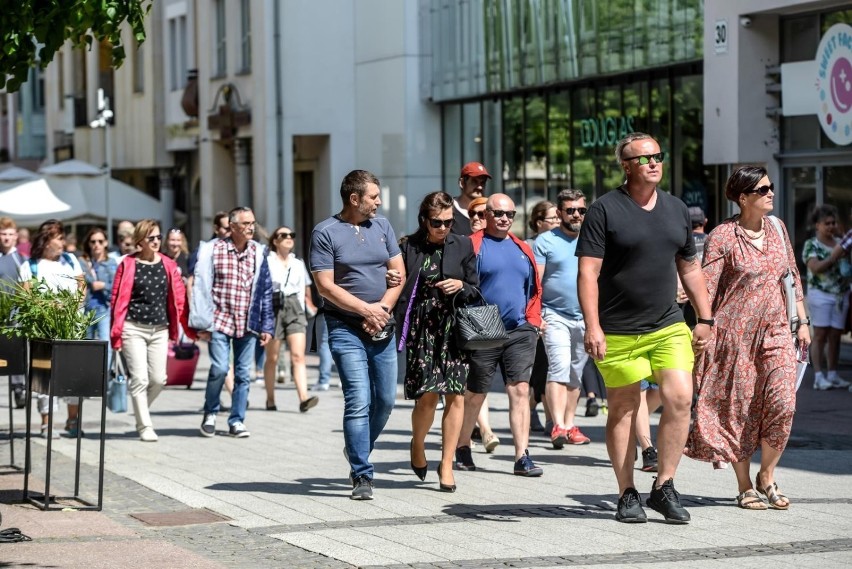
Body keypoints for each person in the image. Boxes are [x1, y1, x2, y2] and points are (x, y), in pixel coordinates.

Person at [576, 132, 712, 524]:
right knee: (622, 408)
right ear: (626, 166)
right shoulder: (604, 210)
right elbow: (588, 272)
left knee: (680, 397)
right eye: (643, 158)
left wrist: (705, 317)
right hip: (618, 328)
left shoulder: (676, 209)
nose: (653, 163)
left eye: (658, 155)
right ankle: (627, 492)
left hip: (667, 324)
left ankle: (664, 486)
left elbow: (689, 267)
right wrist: (593, 326)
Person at [686, 165, 810, 511]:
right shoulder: (723, 236)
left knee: (784, 403)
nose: (771, 193)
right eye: (763, 189)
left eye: (771, 187)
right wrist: (702, 322)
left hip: (776, 330)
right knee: (738, 408)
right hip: (733, 334)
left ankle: (766, 475)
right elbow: (707, 285)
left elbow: (791, 274)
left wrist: (802, 319)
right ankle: (744, 484)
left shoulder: (777, 228)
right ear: (743, 198)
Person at [310, 169, 405, 500]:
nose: (379, 202)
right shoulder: (325, 233)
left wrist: (381, 310)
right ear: (355, 199)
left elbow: (399, 275)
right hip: (344, 327)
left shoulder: (382, 227)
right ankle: (362, 474)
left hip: (381, 326)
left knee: (386, 401)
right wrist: (366, 311)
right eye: (373, 197)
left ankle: (357, 446)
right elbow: (325, 286)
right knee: (358, 400)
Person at [455, 193, 544, 477]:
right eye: (498, 213)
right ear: (486, 215)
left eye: (510, 214)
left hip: (520, 329)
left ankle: (522, 455)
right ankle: (463, 445)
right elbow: (460, 284)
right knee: (476, 392)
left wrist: (533, 320)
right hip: (484, 326)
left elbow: (534, 288)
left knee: (519, 390)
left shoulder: (522, 247)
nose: (505, 219)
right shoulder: (473, 245)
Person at [395, 191, 479, 493]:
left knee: (455, 395)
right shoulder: (409, 247)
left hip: (453, 329)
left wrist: (461, 285)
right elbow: (397, 284)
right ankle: (417, 444)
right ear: (424, 220)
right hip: (422, 329)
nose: (443, 227)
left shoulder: (463, 244)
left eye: (448, 221)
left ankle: (446, 463)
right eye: (437, 222)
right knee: (427, 397)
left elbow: (475, 287)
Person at [190, 207, 274, 439]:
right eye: (246, 224)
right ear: (233, 226)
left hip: (247, 323)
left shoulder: (258, 252)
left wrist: (266, 325)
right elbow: (200, 285)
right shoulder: (212, 250)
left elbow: (265, 290)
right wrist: (200, 323)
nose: (251, 228)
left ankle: (236, 420)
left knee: (243, 374)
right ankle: (210, 413)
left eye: (253, 223)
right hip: (219, 320)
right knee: (219, 369)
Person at [110, 220, 192, 441]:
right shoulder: (127, 264)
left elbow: (179, 298)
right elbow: (116, 299)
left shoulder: (168, 264)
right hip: (132, 328)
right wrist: (115, 332)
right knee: (140, 379)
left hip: (159, 329)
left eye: (158, 237)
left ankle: (140, 408)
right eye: (151, 238)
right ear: (140, 241)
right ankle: (145, 426)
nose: (156, 241)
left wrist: (188, 326)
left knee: (159, 379)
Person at [534, 190, 592, 449]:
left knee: (575, 373)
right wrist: (536, 314)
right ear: (559, 214)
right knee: (559, 366)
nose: (576, 215)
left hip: (586, 317)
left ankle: (569, 425)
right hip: (554, 314)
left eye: (581, 210)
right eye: (570, 210)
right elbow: (535, 282)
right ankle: (557, 424)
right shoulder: (545, 241)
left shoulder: (593, 238)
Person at [18, 220, 86, 437]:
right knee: (44, 376)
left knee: (74, 374)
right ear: (46, 240)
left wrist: (71, 305)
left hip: (72, 326)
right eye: (58, 237)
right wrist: (50, 306)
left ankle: (73, 420)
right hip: (43, 329)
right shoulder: (30, 266)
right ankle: (47, 423)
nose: (62, 242)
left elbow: (82, 289)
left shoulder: (71, 260)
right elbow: (27, 298)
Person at [264, 226, 319, 412]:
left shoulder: (298, 263)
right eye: (283, 235)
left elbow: (306, 286)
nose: (289, 238)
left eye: (291, 235)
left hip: (294, 307)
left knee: (298, 355)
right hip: (273, 307)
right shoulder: (267, 261)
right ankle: (270, 399)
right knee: (272, 357)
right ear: (275, 241)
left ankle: (303, 398)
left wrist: (308, 303)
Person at [801, 204, 850, 390]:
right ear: (817, 225)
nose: (831, 226)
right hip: (820, 295)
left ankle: (833, 373)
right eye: (826, 223)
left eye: (833, 222)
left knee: (836, 336)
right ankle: (818, 376)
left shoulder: (840, 242)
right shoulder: (811, 244)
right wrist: (833, 257)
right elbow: (815, 267)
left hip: (840, 295)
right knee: (820, 335)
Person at [465, 196, 500, 453]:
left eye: (481, 214)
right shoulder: (464, 244)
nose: (477, 219)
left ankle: (485, 430)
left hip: (489, 322)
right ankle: (467, 437)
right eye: (473, 215)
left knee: (479, 382)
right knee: (472, 384)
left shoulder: (500, 244)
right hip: (466, 321)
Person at [527, 200, 560, 435]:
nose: (558, 222)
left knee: (550, 368)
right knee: (541, 368)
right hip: (539, 315)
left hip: (558, 315)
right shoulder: (529, 247)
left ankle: (551, 419)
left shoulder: (564, 243)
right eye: (553, 219)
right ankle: (534, 410)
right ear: (539, 223)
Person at [0, 217, 27, 408]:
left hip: (14, 313)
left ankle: (18, 388)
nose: (6, 238)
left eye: (10, 234)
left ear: (16, 237)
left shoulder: (21, 260)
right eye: (3, 234)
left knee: (15, 351)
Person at [80, 227, 117, 361]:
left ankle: (103, 379)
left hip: (104, 308)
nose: (97, 245)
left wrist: (103, 286)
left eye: (100, 241)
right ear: (89, 244)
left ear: (106, 243)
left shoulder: (111, 262)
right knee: (85, 345)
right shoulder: (83, 262)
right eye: (93, 241)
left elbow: (116, 287)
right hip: (86, 308)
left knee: (105, 344)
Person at [450, 162, 491, 236]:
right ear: (462, 183)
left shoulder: (490, 210)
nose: (480, 187)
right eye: (474, 181)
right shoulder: (448, 209)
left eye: (483, 182)